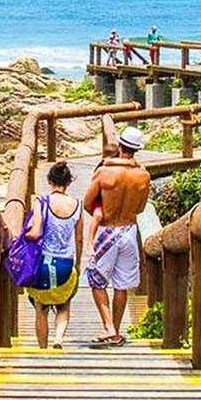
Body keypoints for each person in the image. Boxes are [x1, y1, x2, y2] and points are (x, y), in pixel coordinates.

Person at [83, 126, 151, 346]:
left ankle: (108, 327)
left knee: (96, 279)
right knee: (121, 284)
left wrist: (101, 211)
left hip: (107, 229)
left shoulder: (104, 172)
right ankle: (116, 331)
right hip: (130, 230)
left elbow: (87, 203)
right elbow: (140, 208)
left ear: (120, 146)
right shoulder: (143, 175)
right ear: (136, 150)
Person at [24, 162, 85, 349]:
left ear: (49, 181)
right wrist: (78, 264)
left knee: (41, 308)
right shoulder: (77, 205)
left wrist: (23, 236)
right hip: (65, 264)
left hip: (42, 263)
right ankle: (58, 339)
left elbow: (34, 233)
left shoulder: (41, 202)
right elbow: (79, 239)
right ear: (68, 183)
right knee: (64, 305)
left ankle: (42, 349)